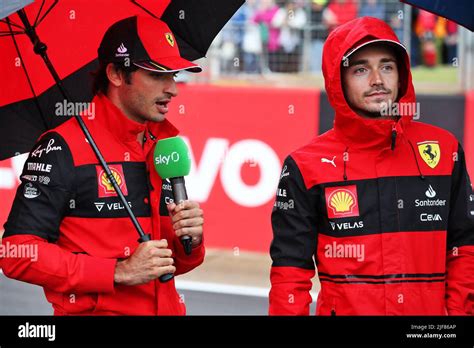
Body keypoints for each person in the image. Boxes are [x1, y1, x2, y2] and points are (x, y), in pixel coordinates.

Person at [0, 16, 205, 315]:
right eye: (158, 75)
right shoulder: (60, 147)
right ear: (116, 74)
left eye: (174, 75)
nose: (173, 89)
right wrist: (116, 272)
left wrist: (192, 240)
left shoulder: (161, 145)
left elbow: (168, 264)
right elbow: (15, 254)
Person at [269, 17, 474, 315]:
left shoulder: (444, 150)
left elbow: (465, 247)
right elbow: (290, 271)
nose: (377, 79)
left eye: (387, 66)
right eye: (361, 69)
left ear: (402, 74)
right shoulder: (305, 164)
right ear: (338, 80)